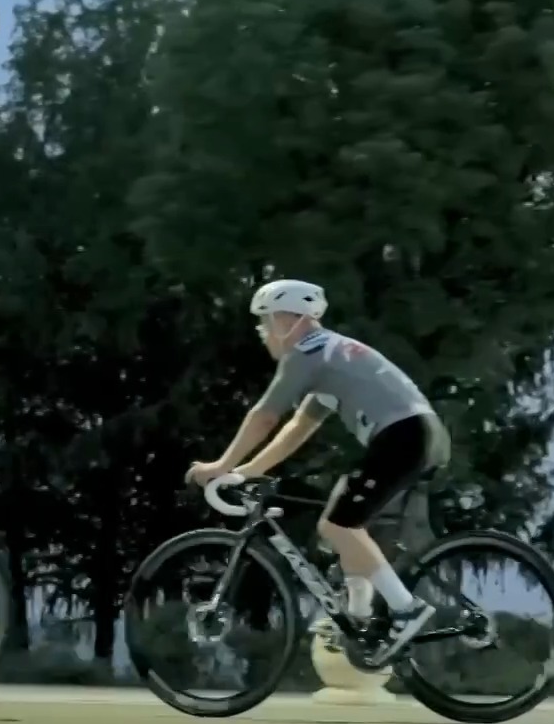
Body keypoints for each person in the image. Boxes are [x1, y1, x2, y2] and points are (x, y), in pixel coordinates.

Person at [186, 279, 451, 663]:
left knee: (337, 526)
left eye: (264, 322)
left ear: (286, 320)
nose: (262, 332)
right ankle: (359, 615)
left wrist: (219, 466)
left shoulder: (307, 352)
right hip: (419, 433)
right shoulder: (330, 354)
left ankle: (406, 609)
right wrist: (246, 472)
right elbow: (297, 428)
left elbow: (265, 416)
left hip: (403, 436)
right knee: (344, 513)